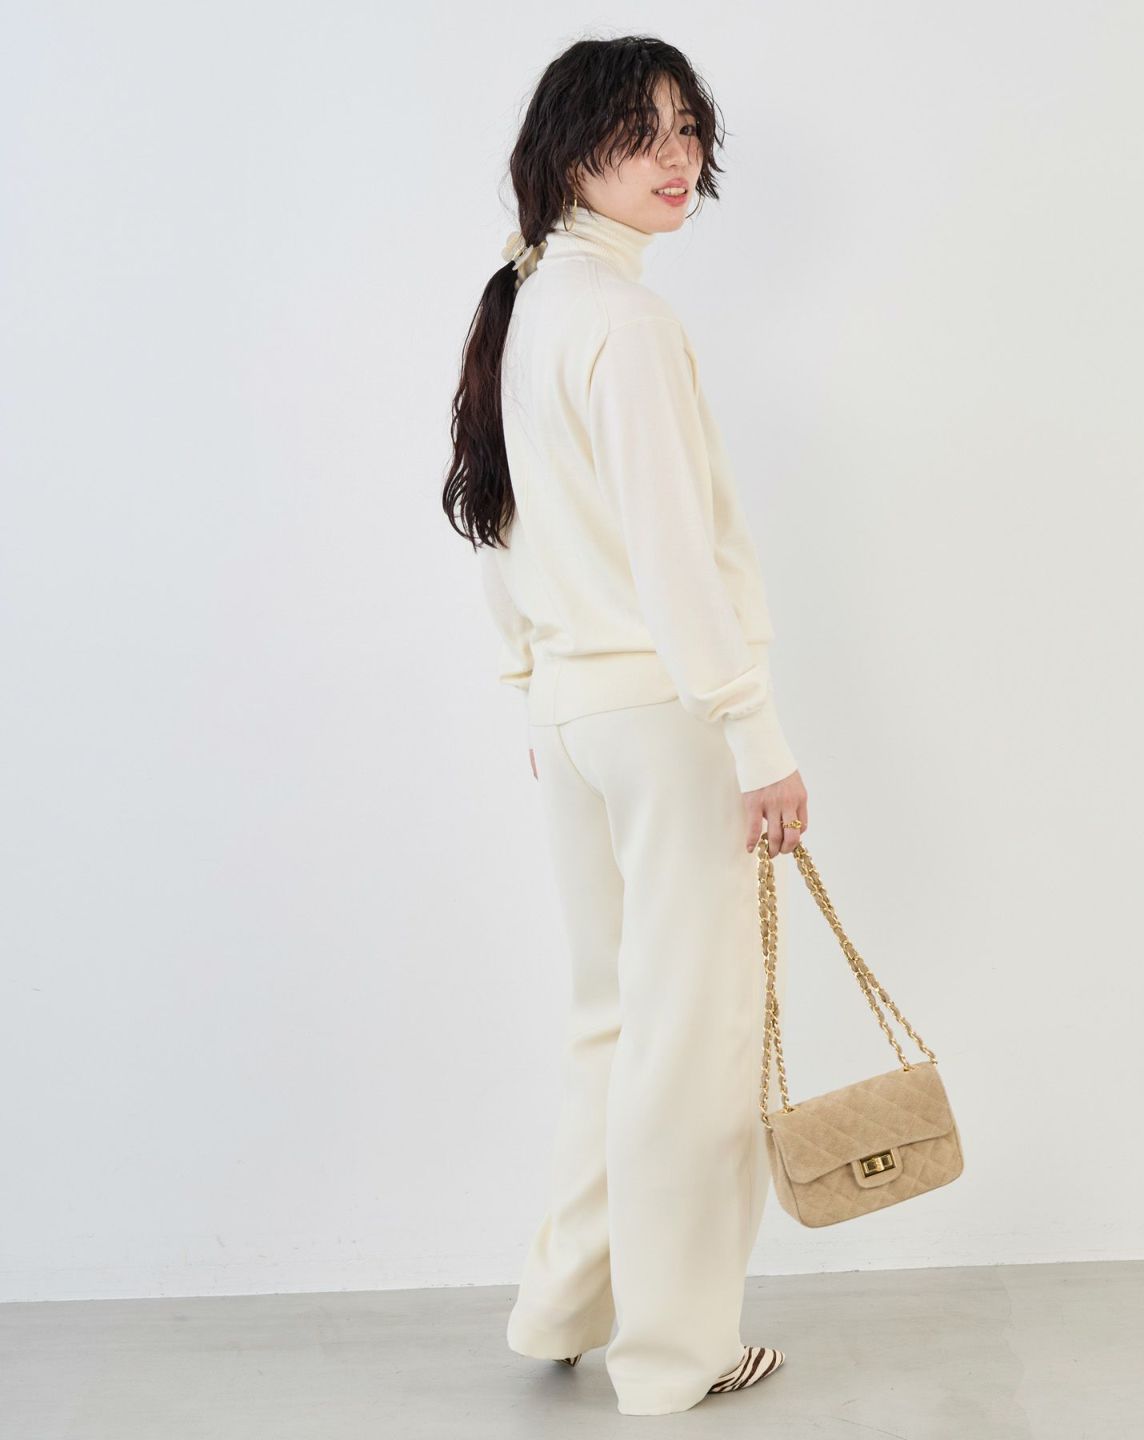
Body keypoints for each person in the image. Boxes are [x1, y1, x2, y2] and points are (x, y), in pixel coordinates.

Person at [441, 34, 809, 1417]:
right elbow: (673, 557)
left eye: (687, 130)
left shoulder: (532, 304)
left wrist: (535, 687)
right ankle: (676, 1355)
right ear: (567, 151)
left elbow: (497, 526)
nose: (675, 159)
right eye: (637, 133)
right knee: (689, 1043)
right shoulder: (626, 322)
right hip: (664, 715)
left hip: (581, 719)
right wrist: (756, 737)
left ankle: (562, 1303)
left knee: (610, 1018)